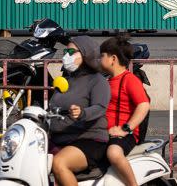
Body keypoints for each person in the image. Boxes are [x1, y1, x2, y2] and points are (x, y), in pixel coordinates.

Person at [49, 36, 111, 186]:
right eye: (65, 51)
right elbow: (54, 107)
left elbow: (100, 107)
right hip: (61, 138)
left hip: (88, 139)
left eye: (71, 51)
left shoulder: (97, 80)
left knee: (59, 163)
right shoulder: (66, 80)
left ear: (86, 54)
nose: (66, 55)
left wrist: (83, 113)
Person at [99, 36, 151, 186]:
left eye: (102, 55)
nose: (99, 59)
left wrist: (125, 129)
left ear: (113, 59)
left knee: (113, 153)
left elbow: (143, 105)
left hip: (123, 136)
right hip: (104, 133)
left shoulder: (129, 79)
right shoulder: (106, 81)